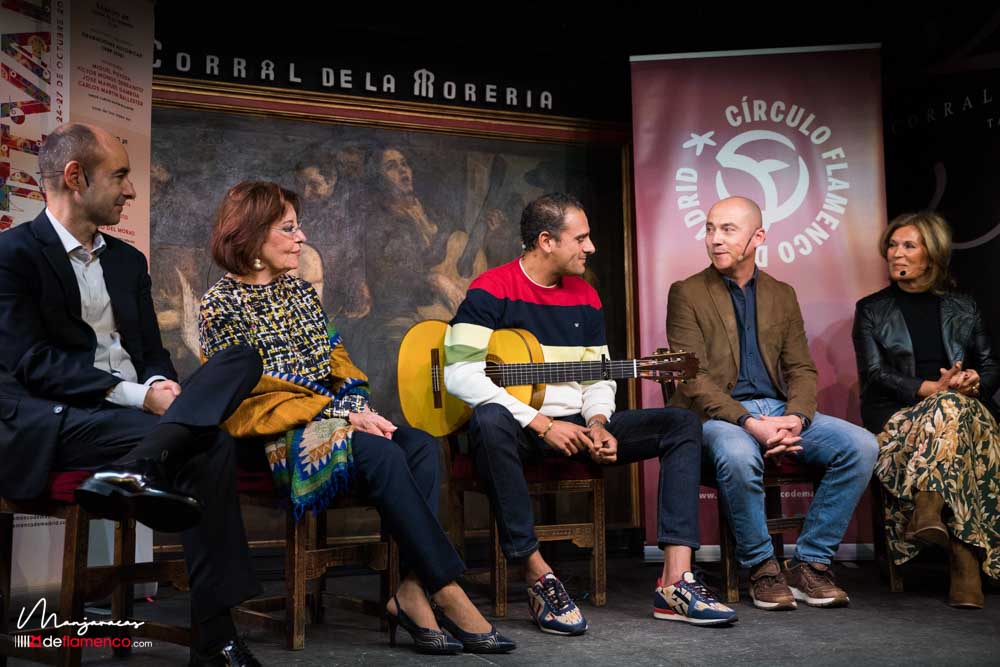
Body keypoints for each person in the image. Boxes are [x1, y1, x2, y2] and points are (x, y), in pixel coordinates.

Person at [197, 180, 515, 655]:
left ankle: (410, 590)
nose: (302, 237)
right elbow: (256, 394)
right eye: (288, 228)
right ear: (253, 236)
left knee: (421, 444)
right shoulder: (218, 306)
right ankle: (447, 588)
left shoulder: (301, 293)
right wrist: (342, 415)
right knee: (381, 452)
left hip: (333, 419)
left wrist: (358, 407)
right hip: (271, 436)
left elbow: (337, 358)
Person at [0, 123, 265, 666]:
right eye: (120, 175)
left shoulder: (127, 262)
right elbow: (31, 363)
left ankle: (142, 464)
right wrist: (136, 396)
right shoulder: (13, 255)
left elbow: (149, 350)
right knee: (208, 444)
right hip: (59, 416)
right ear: (76, 177)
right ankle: (216, 640)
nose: (131, 191)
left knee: (242, 358)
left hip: (137, 416)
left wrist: (161, 383)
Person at [445, 193, 738, 633]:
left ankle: (675, 580)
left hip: (579, 424)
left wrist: (599, 421)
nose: (590, 247)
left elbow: (598, 375)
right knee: (488, 420)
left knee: (681, 422)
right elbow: (460, 375)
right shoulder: (492, 288)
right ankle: (538, 575)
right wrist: (540, 424)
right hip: (521, 429)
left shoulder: (585, 295)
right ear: (546, 241)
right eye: (580, 238)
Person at [666, 195, 878, 611]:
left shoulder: (782, 293)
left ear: (758, 236)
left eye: (727, 230)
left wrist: (796, 418)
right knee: (739, 455)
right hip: (719, 416)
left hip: (780, 411)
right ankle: (762, 568)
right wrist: (750, 422)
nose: (714, 239)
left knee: (862, 446)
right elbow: (693, 379)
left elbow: (802, 369)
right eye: (710, 229)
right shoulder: (686, 292)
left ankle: (810, 564)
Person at [852, 211, 1000, 608]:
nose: (895, 254)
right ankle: (964, 561)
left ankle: (929, 507)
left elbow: (989, 365)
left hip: (963, 415)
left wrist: (973, 381)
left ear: (931, 256)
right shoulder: (871, 309)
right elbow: (874, 373)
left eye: (908, 246)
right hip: (900, 419)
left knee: (953, 408)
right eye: (892, 245)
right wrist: (929, 388)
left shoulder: (964, 307)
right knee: (949, 408)